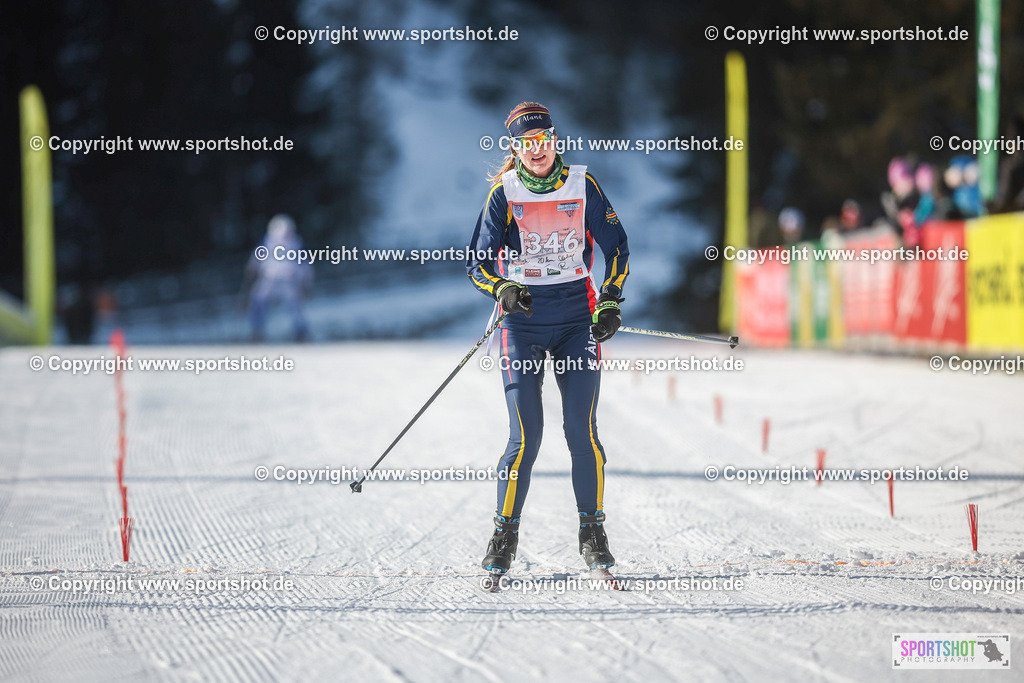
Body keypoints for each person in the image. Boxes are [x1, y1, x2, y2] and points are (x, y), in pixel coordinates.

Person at [466, 102, 630, 576]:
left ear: (555, 141)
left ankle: (592, 532)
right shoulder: (504, 193)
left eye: (543, 140)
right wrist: (503, 288)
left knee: (581, 431)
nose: (536, 150)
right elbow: (477, 263)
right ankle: (504, 535)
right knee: (525, 437)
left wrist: (609, 301)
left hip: (577, 321)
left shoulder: (583, 185)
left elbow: (617, 248)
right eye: (526, 143)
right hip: (523, 324)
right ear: (515, 148)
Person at [244, 214, 313, 342]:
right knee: (258, 301)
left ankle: (301, 332)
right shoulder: (267, 241)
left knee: (295, 306)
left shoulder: (296, 243)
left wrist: (306, 280)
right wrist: (252, 268)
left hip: (289, 280)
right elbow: (257, 257)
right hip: (269, 279)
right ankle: (257, 332)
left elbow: (305, 264)